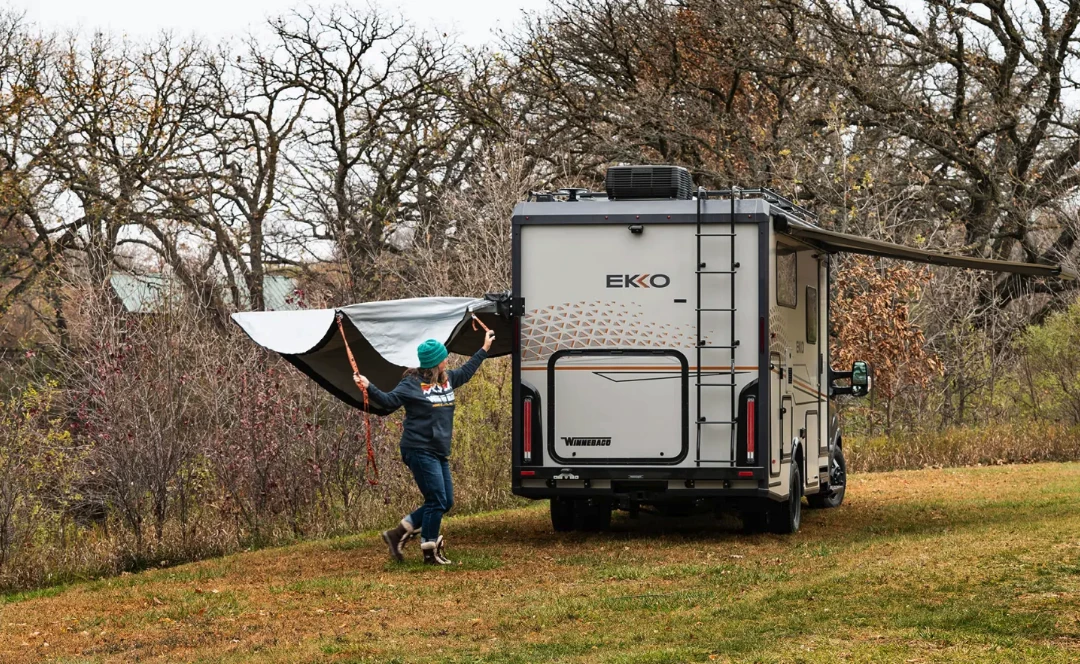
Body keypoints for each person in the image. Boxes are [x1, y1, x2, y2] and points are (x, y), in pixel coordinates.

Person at [353, 329, 495, 565]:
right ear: (435, 363)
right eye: (444, 357)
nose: (447, 360)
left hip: (438, 451)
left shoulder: (446, 380)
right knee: (437, 499)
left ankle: (398, 533)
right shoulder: (411, 385)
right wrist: (368, 386)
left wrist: (484, 350)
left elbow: (467, 372)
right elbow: (388, 401)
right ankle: (429, 551)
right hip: (418, 449)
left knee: (444, 501)